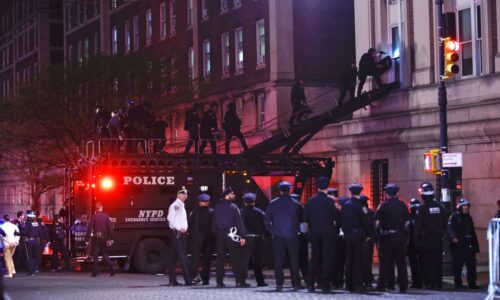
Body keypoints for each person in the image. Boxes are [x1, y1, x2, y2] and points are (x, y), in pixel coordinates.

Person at [265, 181, 303, 292]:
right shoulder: (296, 204)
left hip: (278, 235)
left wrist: (272, 231)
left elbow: (267, 220)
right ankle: (296, 284)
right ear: (290, 190)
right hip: (292, 235)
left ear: (280, 191)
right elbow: (302, 219)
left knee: (278, 260)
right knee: (294, 260)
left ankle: (279, 284)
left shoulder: (273, 203)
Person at [304, 177, 337, 293]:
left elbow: (305, 218)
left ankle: (311, 284)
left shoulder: (310, 201)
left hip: (314, 232)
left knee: (314, 257)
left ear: (316, 187)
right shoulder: (330, 201)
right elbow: (335, 216)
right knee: (327, 258)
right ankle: (325, 284)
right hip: (328, 232)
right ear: (327, 187)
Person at [339, 183, 374, 292]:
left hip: (347, 235)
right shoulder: (360, 206)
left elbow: (341, 220)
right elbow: (366, 222)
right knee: (358, 260)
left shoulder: (345, 205)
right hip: (358, 235)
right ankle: (357, 284)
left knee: (349, 259)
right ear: (360, 192)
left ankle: (348, 283)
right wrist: (369, 235)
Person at [374, 183, 409, 293]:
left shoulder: (383, 206)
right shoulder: (402, 205)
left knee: (384, 263)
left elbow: (376, 223)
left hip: (386, 237)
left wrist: (377, 235)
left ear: (386, 194)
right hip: (399, 236)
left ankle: (382, 285)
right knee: (401, 263)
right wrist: (404, 235)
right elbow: (407, 223)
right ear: (397, 193)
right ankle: (403, 286)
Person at [212, 187, 249, 288]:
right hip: (232, 235)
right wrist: (242, 236)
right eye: (232, 194)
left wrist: (217, 234)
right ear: (227, 195)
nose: (234, 195)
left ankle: (219, 282)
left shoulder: (217, 207)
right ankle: (239, 281)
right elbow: (239, 222)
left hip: (220, 235)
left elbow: (213, 223)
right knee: (235, 258)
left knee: (220, 259)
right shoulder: (233, 206)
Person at [414, 182, 447, 289]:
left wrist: (416, 240)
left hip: (426, 240)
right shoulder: (440, 207)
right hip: (438, 240)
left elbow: (418, 227)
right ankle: (438, 283)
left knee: (428, 262)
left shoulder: (422, 208)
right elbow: (444, 223)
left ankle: (430, 283)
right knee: (438, 261)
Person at [448, 198, 479, 289]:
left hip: (469, 245)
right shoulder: (454, 216)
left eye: (467, 206)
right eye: (464, 206)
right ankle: (458, 284)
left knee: (471, 265)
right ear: (460, 207)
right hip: (458, 245)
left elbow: (472, 232)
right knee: (458, 266)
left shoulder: (469, 217)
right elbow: (449, 228)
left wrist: (475, 246)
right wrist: (453, 237)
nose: (466, 208)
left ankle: (472, 283)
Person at [166, 187, 194, 286]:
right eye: (182, 193)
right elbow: (170, 218)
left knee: (173, 258)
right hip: (178, 234)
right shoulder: (177, 205)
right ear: (178, 195)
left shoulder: (181, 205)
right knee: (183, 257)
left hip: (176, 234)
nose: (185, 195)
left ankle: (173, 280)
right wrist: (180, 228)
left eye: (186, 193)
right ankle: (188, 280)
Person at [241, 192, 268, 287]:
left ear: (244, 202)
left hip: (245, 238)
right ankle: (260, 281)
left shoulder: (241, 212)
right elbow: (265, 226)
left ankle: (241, 280)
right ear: (254, 202)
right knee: (257, 262)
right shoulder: (259, 212)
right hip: (257, 238)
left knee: (244, 260)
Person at [188, 192, 215, 285]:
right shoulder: (212, 212)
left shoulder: (194, 212)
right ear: (208, 202)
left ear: (199, 202)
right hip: (209, 239)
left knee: (195, 259)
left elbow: (190, 225)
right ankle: (205, 279)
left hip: (197, 238)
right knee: (207, 260)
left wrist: (190, 235)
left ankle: (192, 278)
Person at [85, 202, 115, 277]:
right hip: (104, 238)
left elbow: (89, 228)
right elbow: (110, 229)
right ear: (101, 207)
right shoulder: (106, 216)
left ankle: (95, 272)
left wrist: (86, 239)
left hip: (96, 238)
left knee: (95, 255)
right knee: (104, 254)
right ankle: (111, 267)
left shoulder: (94, 217)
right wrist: (111, 239)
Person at [20, 210, 48, 276]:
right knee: (36, 256)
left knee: (29, 256)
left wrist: (18, 232)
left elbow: (24, 232)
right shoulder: (37, 223)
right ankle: (35, 270)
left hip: (30, 241)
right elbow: (41, 233)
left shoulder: (28, 223)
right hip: (37, 241)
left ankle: (31, 271)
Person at [359, 194, 376, 289]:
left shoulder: (357, 211)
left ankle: (361, 280)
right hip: (368, 240)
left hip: (360, 239)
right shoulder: (370, 212)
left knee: (359, 261)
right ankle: (368, 281)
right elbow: (374, 226)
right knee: (368, 261)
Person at [407, 198, 423, 289]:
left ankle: (416, 282)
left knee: (414, 264)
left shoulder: (409, 217)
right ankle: (421, 282)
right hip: (419, 243)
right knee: (421, 264)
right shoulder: (422, 216)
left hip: (412, 243)